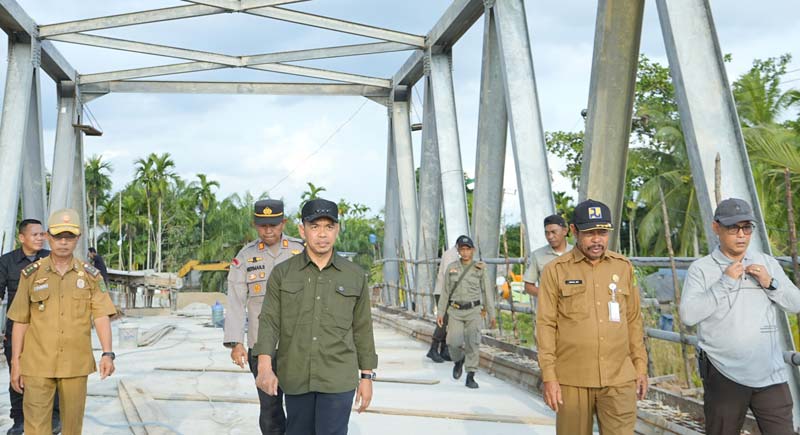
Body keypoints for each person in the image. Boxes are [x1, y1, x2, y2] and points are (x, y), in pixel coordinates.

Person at [254, 198, 377, 435]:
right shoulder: (283, 274)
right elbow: (269, 321)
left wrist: (367, 377)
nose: (322, 234)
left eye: (329, 227)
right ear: (302, 230)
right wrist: (264, 366)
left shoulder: (354, 276)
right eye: (315, 226)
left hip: (338, 377)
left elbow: (363, 328)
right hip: (296, 375)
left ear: (337, 230)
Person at [680, 198, 800, 435]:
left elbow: (796, 303)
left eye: (747, 228)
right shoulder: (702, 269)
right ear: (716, 228)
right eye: (733, 228)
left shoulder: (767, 263)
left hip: (770, 374)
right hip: (724, 373)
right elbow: (688, 315)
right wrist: (724, 283)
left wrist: (771, 283)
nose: (741, 235)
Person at [537, 199, 648, 435]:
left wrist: (640, 367)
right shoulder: (555, 271)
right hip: (572, 379)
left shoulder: (623, 267)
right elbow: (545, 325)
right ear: (574, 231)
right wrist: (549, 376)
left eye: (602, 232)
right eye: (589, 233)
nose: (597, 239)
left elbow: (633, 320)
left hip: (619, 378)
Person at [8, 209, 117, 435]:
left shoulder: (91, 276)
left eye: (69, 237)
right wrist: (16, 363)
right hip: (37, 364)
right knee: (36, 428)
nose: (64, 242)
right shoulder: (31, 275)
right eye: (58, 236)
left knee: (71, 428)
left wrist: (107, 353)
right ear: (48, 236)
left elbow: (101, 315)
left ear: (78, 238)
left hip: (75, 365)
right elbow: (20, 320)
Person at [223, 199, 304, 434]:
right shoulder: (245, 257)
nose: (269, 231)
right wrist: (236, 343)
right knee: (270, 411)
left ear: (284, 222)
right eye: (263, 226)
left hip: (298, 344)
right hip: (261, 346)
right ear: (255, 225)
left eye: (274, 225)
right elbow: (236, 302)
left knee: (301, 407)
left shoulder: (301, 251)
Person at [0, 219, 60, 435]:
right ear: (22, 237)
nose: (40, 238)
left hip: (49, 328)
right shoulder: (7, 262)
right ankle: (20, 420)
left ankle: (54, 418)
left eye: (42, 234)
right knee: (17, 374)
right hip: (18, 328)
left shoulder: (53, 258)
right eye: (34, 235)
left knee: (53, 373)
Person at [436, 235, 496, 389]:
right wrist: (440, 312)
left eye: (467, 249)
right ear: (458, 250)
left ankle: (470, 375)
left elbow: (487, 291)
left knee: (473, 342)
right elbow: (445, 292)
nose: (465, 252)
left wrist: (491, 314)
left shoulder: (480, 268)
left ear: (473, 250)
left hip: (474, 311)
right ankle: (458, 360)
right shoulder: (451, 268)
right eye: (462, 249)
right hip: (455, 311)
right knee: (452, 342)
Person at [523, 214, 572, 297]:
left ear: (565, 231)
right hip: (548, 308)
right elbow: (528, 286)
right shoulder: (537, 255)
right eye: (547, 233)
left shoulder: (577, 253)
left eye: (553, 232)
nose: (550, 237)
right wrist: (548, 296)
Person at [426, 243, 459, 363]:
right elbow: (450, 273)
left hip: (449, 293)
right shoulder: (451, 254)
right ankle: (433, 349)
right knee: (443, 321)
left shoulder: (455, 254)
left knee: (448, 321)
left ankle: (444, 350)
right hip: (443, 293)